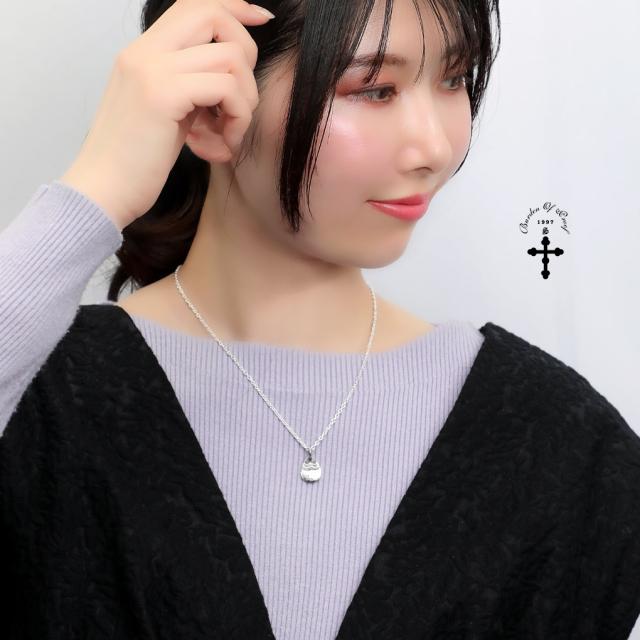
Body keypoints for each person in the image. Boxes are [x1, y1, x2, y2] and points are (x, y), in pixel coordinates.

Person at [2, 0, 639, 638]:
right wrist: (98, 188)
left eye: (453, 79)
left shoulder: (556, 441)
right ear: (213, 105)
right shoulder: (41, 391)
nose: (434, 147)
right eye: (375, 89)